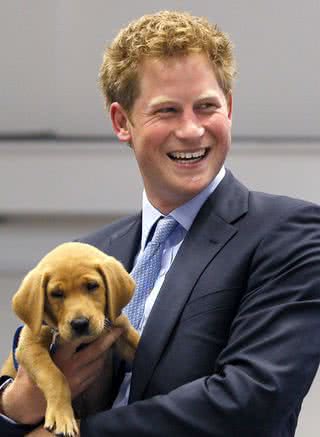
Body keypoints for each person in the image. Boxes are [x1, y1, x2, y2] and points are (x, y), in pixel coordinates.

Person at [1, 10, 320, 437]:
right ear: (121, 122)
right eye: (166, 111)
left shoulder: (290, 233)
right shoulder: (87, 254)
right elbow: (25, 369)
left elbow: (251, 400)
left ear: (230, 108)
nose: (191, 130)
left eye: (207, 106)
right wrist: (12, 405)